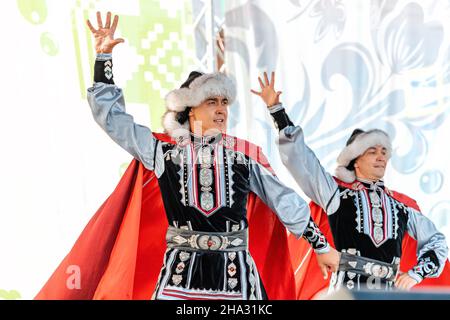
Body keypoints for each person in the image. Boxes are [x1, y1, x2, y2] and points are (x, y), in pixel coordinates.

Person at [36, 12, 339, 300]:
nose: (221, 109)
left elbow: (284, 200)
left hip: (236, 280)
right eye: (211, 102)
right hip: (180, 278)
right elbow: (113, 121)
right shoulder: (162, 153)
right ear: (190, 108)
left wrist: (321, 245)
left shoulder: (243, 158)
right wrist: (103, 59)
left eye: (224, 102)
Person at [251, 72, 450, 296]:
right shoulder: (336, 197)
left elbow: (437, 241)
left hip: (388, 294)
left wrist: (416, 274)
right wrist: (277, 110)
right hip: (347, 292)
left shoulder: (401, 209)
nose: (380, 157)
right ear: (355, 161)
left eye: (384, 152)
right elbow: (302, 161)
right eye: (372, 151)